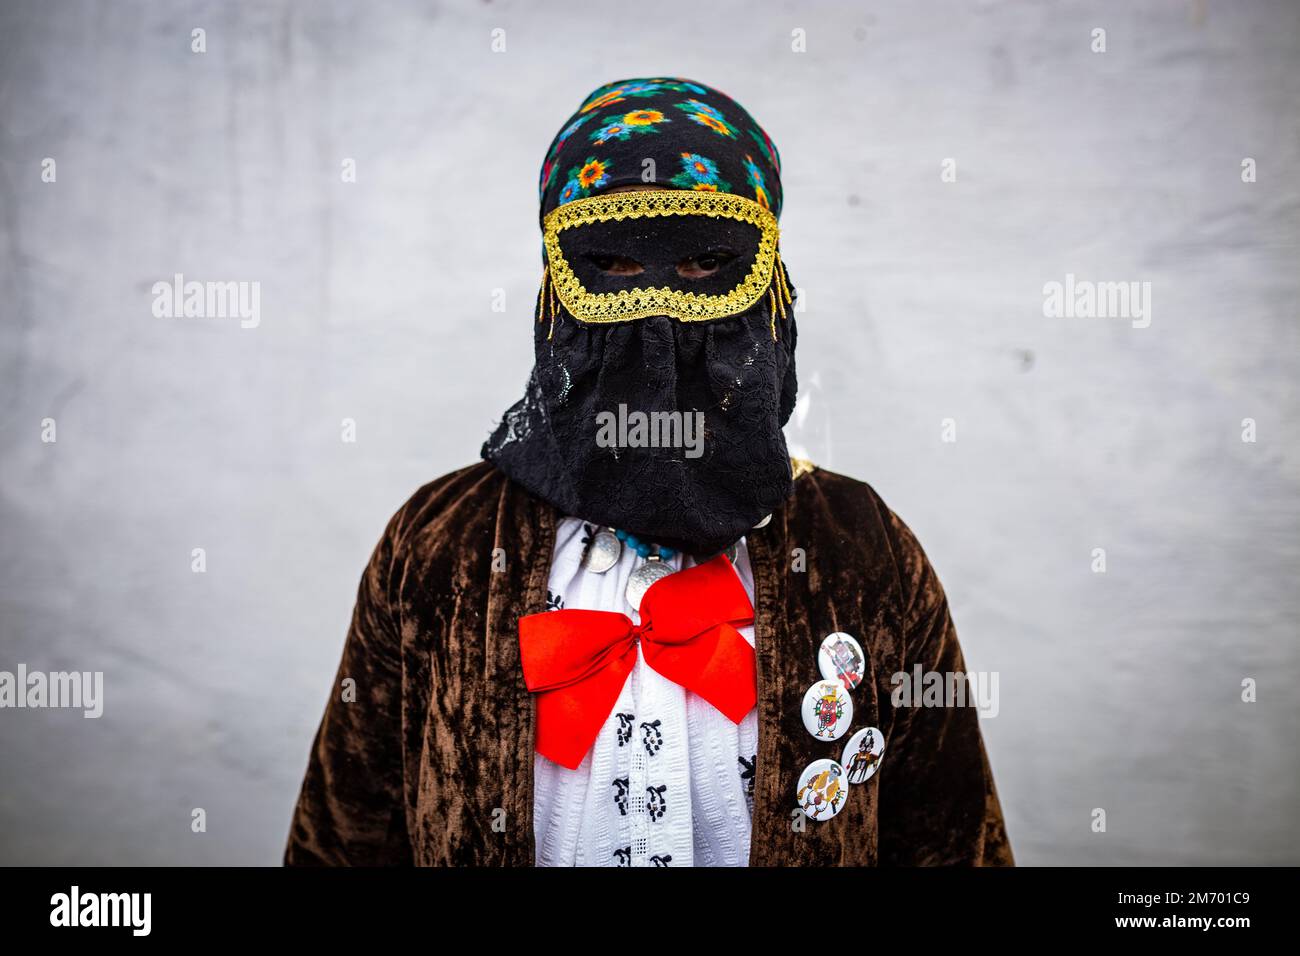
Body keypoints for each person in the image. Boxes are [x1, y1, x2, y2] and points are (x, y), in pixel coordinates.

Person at [283, 77, 1013, 867]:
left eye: (707, 262)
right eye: (614, 264)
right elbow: (345, 841)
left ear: (773, 288)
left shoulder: (860, 551)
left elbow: (951, 840)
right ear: (553, 291)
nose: (659, 312)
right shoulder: (440, 548)